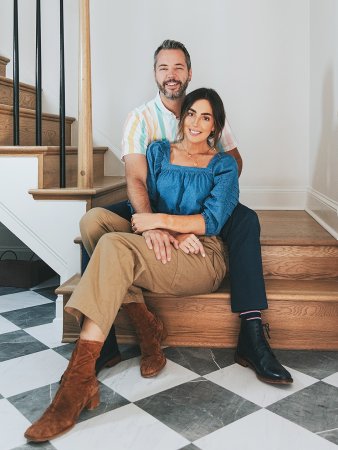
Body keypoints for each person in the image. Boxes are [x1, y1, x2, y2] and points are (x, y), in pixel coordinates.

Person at [25, 87, 244, 442]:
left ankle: (79, 382)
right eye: (191, 114)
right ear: (181, 117)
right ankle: (146, 328)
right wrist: (164, 229)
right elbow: (142, 192)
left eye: (206, 117)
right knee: (94, 221)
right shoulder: (159, 152)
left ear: (216, 127)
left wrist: (165, 226)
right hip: (166, 240)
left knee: (113, 246)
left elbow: (212, 221)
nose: (196, 122)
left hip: (201, 255)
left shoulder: (222, 165)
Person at [86, 39, 292, 386]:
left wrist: (213, 192)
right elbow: (136, 179)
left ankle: (253, 333)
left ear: (189, 72)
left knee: (245, 220)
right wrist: (158, 227)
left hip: (200, 205)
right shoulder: (142, 118)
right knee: (94, 221)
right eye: (164, 67)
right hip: (151, 203)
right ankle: (103, 339)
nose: (171, 74)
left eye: (178, 67)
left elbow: (234, 160)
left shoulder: (205, 105)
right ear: (155, 74)